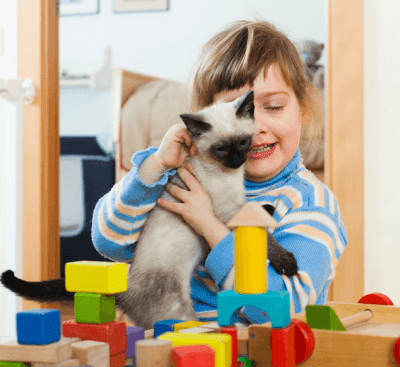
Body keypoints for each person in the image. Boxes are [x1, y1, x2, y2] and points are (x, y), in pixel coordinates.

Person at [91, 20, 347, 320]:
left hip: (255, 347)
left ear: (303, 109)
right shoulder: (185, 178)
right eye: (237, 109)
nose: (256, 127)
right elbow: (110, 242)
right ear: (206, 120)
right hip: (175, 336)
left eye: (274, 106)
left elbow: (284, 310)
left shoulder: (311, 204)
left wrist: (209, 225)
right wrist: (155, 166)